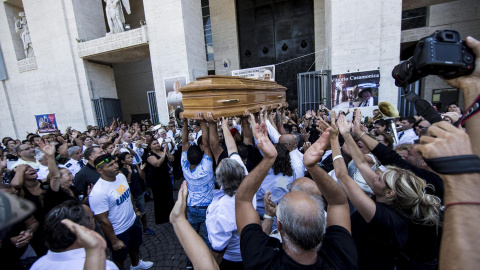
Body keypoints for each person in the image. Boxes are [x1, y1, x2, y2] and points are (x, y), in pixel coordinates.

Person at [329, 112, 442, 269]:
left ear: (390, 193)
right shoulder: (388, 195)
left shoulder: (385, 218)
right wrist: (347, 134)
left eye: (380, 178)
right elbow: (361, 163)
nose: (375, 177)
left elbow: (342, 176)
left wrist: (334, 139)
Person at [235, 124, 357, 269]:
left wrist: (269, 158)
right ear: (324, 225)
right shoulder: (341, 259)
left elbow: (242, 200)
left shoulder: (261, 261)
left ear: (279, 226)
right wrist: (312, 167)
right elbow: (338, 202)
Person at [89, 154, 153, 270]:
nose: (116, 166)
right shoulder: (98, 192)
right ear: (99, 170)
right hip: (118, 230)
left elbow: (128, 194)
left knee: (135, 247)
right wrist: (114, 241)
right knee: (119, 258)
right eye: (110, 165)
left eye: (115, 162)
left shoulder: (121, 176)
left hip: (132, 221)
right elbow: (102, 220)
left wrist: (135, 210)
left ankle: (136, 264)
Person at [31, 201, 119, 270]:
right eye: (92, 217)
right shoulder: (103, 266)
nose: (94, 220)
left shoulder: (38, 265)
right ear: (82, 231)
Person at [180, 114, 214, 250]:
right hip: (207, 208)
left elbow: (184, 143)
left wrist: (184, 123)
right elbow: (206, 143)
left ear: (187, 158)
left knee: (192, 237)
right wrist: (202, 122)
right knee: (207, 238)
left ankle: (190, 262)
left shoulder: (184, 166)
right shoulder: (207, 166)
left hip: (192, 208)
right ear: (202, 156)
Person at [144, 139, 174, 224]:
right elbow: (157, 164)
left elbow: (172, 159)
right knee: (159, 197)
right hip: (156, 179)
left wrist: (167, 151)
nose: (157, 145)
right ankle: (162, 218)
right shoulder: (149, 155)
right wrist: (164, 152)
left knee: (169, 196)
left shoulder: (162, 152)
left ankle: (171, 215)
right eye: (154, 144)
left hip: (165, 177)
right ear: (150, 146)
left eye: (157, 143)